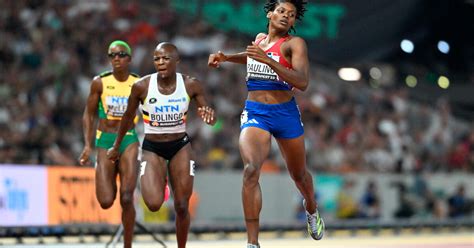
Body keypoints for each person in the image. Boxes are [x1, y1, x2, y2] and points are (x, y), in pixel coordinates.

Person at [207, 1, 324, 247]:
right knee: (251, 170)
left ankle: (311, 208)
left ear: (293, 22)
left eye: (291, 15)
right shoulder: (259, 40)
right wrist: (227, 57)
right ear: (270, 14)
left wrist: (270, 61)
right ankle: (252, 242)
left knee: (299, 175)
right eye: (282, 11)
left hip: (285, 114)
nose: (286, 16)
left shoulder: (295, 44)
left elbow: (302, 82)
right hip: (256, 112)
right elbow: (252, 57)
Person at [107, 42, 216, 248]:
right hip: (152, 148)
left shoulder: (191, 84)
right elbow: (128, 117)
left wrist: (209, 117)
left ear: (177, 61)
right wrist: (116, 145)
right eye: (157, 58)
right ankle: (162, 181)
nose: (160, 62)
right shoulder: (142, 86)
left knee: (182, 205)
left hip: (180, 147)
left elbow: (208, 112)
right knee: (153, 204)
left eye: (165, 58)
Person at [78, 40, 140, 248]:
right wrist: (87, 145)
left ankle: (127, 245)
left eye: (121, 54)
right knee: (106, 201)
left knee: (127, 197)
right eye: (112, 55)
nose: (116, 58)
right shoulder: (100, 82)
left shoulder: (139, 83)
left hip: (128, 139)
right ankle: (108, 171)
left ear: (129, 58)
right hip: (104, 140)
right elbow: (89, 113)